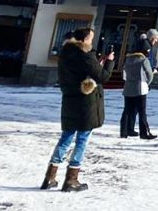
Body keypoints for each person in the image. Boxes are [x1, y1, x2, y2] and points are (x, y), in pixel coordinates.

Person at [42, 26, 115, 192]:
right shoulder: (85, 55)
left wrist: (96, 64)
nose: (92, 41)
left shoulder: (66, 53)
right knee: (82, 139)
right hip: (85, 103)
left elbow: (76, 74)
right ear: (83, 39)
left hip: (69, 99)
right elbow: (103, 77)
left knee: (66, 137)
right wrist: (109, 62)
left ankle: (50, 177)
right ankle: (71, 179)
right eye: (90, 38)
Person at [120, 38, 156, 139]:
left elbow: (124, 74)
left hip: (128, 88)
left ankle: (124, 131)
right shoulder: (144, 60)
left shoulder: (127, 59)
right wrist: (147, 84)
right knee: (142, 111)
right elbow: (150, 75)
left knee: (127, 110)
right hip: (140, 88)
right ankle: (144, 133)